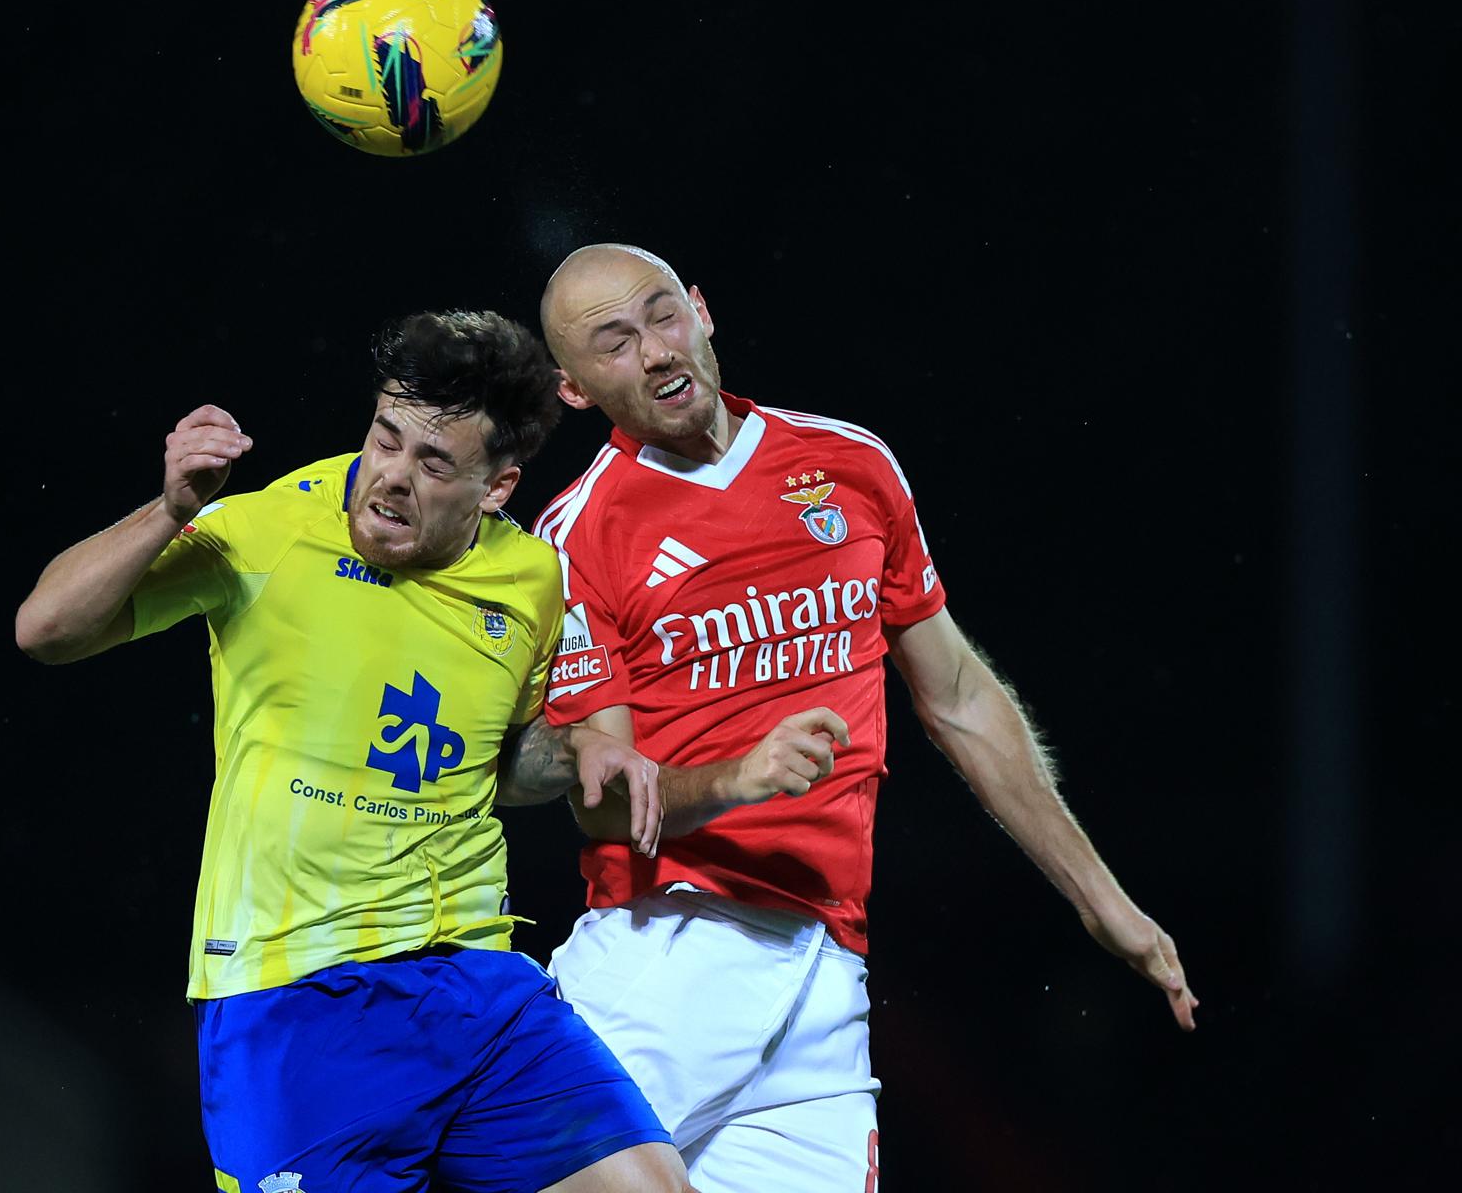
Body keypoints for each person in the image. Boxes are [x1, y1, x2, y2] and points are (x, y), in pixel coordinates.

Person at [501, 245, 1198, 1192]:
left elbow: (957, 697)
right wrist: (739, 777)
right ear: (573, 390)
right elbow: (600, 802)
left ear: (703, 310)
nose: (657, 351)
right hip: (668, 952)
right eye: (613, 343)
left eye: (663, 315)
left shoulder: (848, 463)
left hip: (825, 965)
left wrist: (1101, 902)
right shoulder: (582, 534)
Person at [14, 310, 692, 1193]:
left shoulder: (531, 579)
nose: (393, 477)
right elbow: (47, 630)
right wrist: (172, 508)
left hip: (477, 988)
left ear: (498, 487)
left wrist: (570, 755)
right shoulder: (270, 531)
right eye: (386, 440)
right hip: (296, 1000)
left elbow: (490, 764)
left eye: (435, 461)